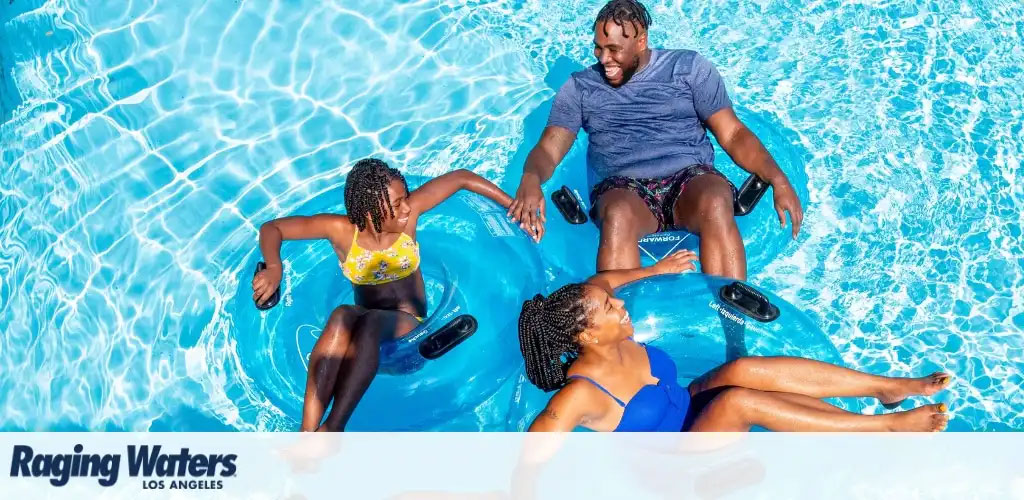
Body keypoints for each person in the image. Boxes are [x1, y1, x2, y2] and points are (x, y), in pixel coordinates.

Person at [507, 0, 804, 280]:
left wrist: (777, 179)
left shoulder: (688, 69)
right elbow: (549, 147)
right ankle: (620, 329)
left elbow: (734, 133)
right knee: (619, 214)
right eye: (598, 49)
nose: (604, 59)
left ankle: (732, 328)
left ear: (641, 42)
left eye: (613, 49)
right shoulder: (580, 87)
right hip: (623, 187)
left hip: (690, 179)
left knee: (715, 199)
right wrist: (531, 178)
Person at [517, 253, 952, 432]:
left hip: (686, 403)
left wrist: (655, 271)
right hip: (672, 465)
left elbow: (604, 281)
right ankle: (885, 428)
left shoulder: (598, 320)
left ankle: (886, 387)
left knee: (742, 371)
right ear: (588, 336)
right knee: (736, 401)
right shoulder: (580, 393)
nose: (619, 304)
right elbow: (533, 455)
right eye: (611, 308)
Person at [252, 158, 515, 431]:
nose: (407, 208)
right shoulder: (341, 232)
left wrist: (512, 204)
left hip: (411, 338)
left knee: (371, 322)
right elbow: (273, 229)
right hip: (368, 350)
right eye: (397, 203)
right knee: (342, 315)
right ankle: (307, 434)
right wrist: (274, 267)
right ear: (369, 212)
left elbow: (460, 177)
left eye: (406, 198)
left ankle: (333, 428)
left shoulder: (408, 218)